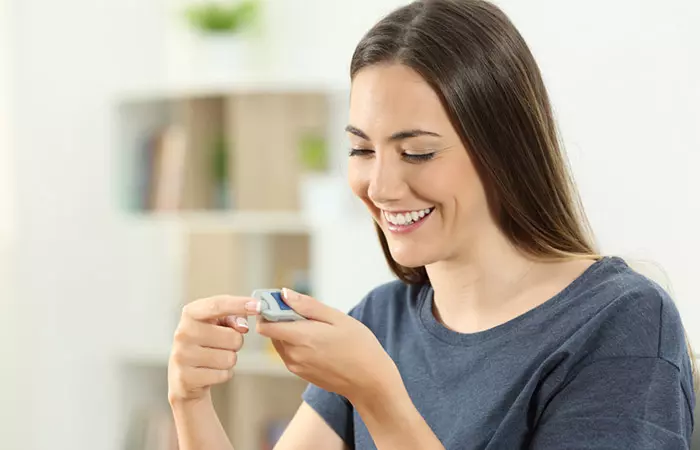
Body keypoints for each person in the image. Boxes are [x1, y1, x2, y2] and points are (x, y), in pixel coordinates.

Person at [167, 0, 697, 449]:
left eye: (417, 152)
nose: (379, 186)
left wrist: (378, 397)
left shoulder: (620, 321)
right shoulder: (379, 319)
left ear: (505, 151)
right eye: (360, 149)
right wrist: (191, 401)